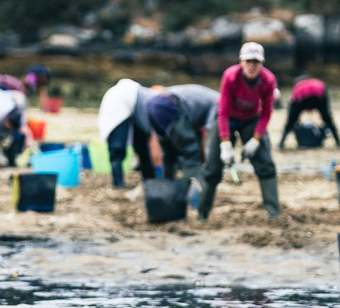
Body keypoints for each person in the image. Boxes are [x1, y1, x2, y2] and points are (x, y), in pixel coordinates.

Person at [198, 42, 280, 220]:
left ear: (262, 64)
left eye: (256, 62)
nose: (252, 66)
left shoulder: (268, 80)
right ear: (241, 62)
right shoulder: (231, 76)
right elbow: (223, 111)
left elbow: (266, 112)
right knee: (212, 169)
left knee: (266, 165)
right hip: (227, 119)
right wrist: (226, 144)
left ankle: (274, 214)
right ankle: (202, 215)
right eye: (248, 61)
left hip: (251, 119)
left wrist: (256, 139)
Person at [143, 84, 220, 182]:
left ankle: (166, 187)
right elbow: (208, 133)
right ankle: (195, 189)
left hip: (152, 105)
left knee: (170, 153)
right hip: (168, 106)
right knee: (190, 151)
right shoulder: (219, 102)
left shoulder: (209, 97)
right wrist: (205, 163)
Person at [97, 78, 158, 188]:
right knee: (117, 149)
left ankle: (150, 180)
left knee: (142, 149)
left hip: (134, 110)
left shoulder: (145, 98)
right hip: (119, 112)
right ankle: (119, 184)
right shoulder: (118, 97)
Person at [279, 77, 340, 149]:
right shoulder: (317, 82)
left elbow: (294, 99)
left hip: (301, 98)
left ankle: (281, 143)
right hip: (319, 96)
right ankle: (337, 141)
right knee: (328, 119)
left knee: (291, 121)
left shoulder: (298, 85)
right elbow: (325, 96)